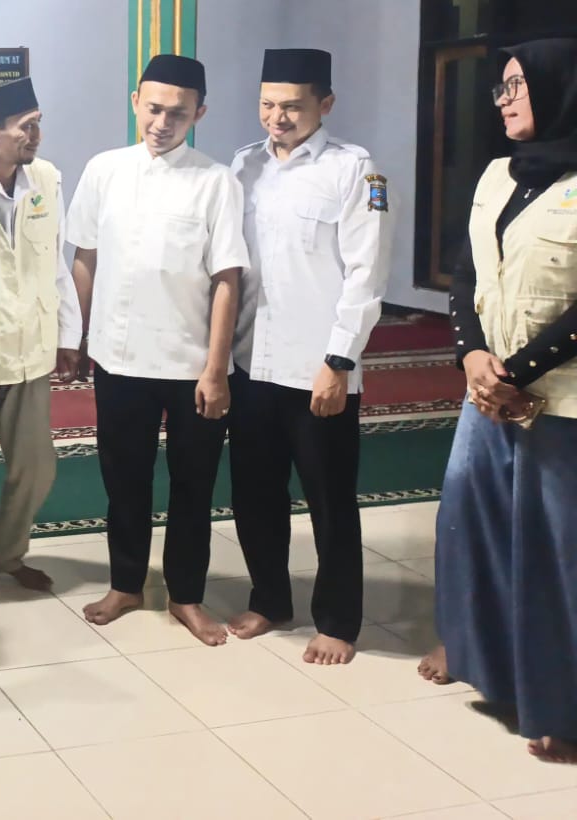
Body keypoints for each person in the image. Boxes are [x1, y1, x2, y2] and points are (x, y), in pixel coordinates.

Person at [425, 38, 577, 765]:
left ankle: (562, 708)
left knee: (558, 551)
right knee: (473, 523)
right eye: (502, 88)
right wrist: (473, 357)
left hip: (563, 400)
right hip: (486, 394)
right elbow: (467, 276)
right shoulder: (496, 174)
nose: (506, 100)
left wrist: (516, 370)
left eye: (519, 86)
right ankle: (489, 666)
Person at [65, 54, 248, 646]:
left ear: (199, 113)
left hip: (192, 364)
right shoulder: (104, 171)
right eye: (153, 108)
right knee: (124, 480)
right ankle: (125, 584)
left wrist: (216, 369)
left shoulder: (216, 181)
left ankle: (186, 595)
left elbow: (227, 280)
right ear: (135, 102)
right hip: (119, 359)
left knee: (193, 485)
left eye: (178, 113)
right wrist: (75, 336)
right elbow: (85, 258)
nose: (162, 122)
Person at [227, 48, 392, 665]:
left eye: (293, 106)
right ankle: (270, 600)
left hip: (319, 369)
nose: (278, 117)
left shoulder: (356, 171)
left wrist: (339, 362)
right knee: (254, 495)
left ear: (325, 104)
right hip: (252, 364)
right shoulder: (243, 165)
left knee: (330, 501)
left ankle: (338, 621)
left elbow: (366, 277)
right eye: (268, 104)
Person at [0, 76, 83, 628]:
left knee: (36, 467)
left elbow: (54, 259)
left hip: (31, 346)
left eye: (38, 123)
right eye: (24, 127)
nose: (35, 135)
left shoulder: (47, 179)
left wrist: (68, 335)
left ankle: (9, 554)